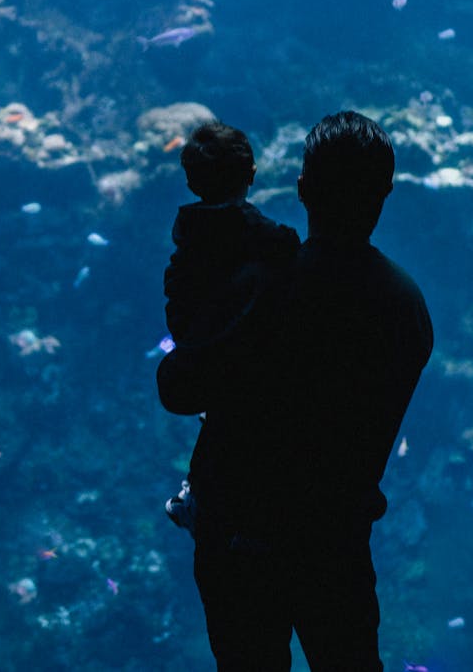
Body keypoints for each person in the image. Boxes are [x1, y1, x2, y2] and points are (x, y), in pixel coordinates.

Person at [158, 110, 433, 672]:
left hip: (240, 543)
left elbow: (178, 388)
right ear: (384, 194)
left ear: (303, 188)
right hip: (336, 548)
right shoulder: (406, 306)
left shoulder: (267, 284)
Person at [162, 120, 299, 532]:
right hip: (257, 372)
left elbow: (179, 311)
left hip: (203, 365)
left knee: (217, 425)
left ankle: (196, 496)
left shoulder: (187, 242)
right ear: (252, 176)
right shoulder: (271, 241)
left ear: (190, 180)